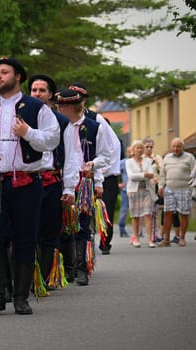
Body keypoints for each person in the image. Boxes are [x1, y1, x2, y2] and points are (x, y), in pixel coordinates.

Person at [0, 57, 60, 316]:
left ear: (17, 76)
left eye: (4, 72)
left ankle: (21, 297)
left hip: (27, 182)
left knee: (25, 237)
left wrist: (28, 133)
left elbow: (52, 139)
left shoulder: (36, 107)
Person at [56, 88, 111, 286]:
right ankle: (68, 268)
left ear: (70, 106)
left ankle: (82, 268)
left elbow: (106, 154)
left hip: (84, 182)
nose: (57, 108)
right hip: (61, 180)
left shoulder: (94, 126)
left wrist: (95, 170)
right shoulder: (59, 126)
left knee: (82, 226)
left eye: (60, 105)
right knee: (63, 226)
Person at [69, 83, 121, 255]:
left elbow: (111, 147)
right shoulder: (63, 120)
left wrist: (103, 170)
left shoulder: (96, 120)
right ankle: (73, 257)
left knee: (94, 214)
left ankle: (100, 246)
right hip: (70, 177)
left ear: (84, 100)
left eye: (78, 98)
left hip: (95, 175)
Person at [28, 74, 70, 287]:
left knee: (50, 231)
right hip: (28, 182)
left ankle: (46, 277)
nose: (37, 94)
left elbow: (72, 155)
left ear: (51, 94)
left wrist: (69, 187)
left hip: (52, 182)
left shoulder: (62, 121)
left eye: (41, 90)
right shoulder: (21, 117)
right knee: (28, 231)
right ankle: (27, 277)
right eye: (33, 90)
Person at [157, 138, 196, 247]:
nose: (175, 149)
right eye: (173, 146)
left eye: (178, 146)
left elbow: (195, 173)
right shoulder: (167, 158)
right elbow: (162, 174)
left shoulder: (189, 157)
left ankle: (182, 238)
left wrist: (192, 186)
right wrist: (161, 186)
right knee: (167, 213)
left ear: (182, 147)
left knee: (183, 214)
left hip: (184, 189)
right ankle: (166, 239)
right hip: (169, 188)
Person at [126, 140, 158, 248]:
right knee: (135, 216)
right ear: (133, 150)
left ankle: (150, 239)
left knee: (148, 214)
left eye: (141, 148)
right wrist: (144, 174)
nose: (139, 150)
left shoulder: (147, 161)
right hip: (133, 191)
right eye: (137, 148)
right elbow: (131, 176)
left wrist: (143, 175)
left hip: (147, 190)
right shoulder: (129, 162)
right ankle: (136, 238)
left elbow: (152, 174)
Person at [142, 136, 163, 242]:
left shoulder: (157, 157)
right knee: (146, 213)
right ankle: (146, 235)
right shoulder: (141, 158)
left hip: (155, 187)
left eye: (151, 147)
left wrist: (160, 186)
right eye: (147, 147)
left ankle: (155, 235)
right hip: (144, 187)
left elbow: (162, 172)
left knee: (154, 212)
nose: (149, 149)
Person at [118, 146, 132, 237]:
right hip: (125, 190)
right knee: (124, 209)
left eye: (132, 151)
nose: (130, 153)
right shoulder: (123, 162)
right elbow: (115, 172)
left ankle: (139, 231)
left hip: (136, 190)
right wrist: (118, 183)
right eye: (129, 151)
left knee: (137, 210)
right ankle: (122, 229)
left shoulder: (138, 162)